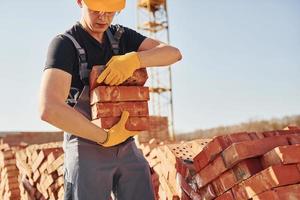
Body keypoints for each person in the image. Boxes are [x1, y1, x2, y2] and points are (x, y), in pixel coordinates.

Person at [38, 0, 182, 199]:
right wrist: (104, 137)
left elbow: (173, 54)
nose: (103, 17)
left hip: (126, 143)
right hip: (85, 146)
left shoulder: (121, 37)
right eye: (97, 10)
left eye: (111, 11)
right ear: (80, 2)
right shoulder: (65, 44)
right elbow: (49, 107)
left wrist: (135, 60)